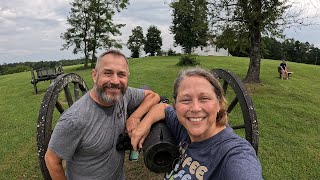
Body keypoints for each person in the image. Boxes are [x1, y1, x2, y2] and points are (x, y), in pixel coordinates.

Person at [45, 50, 160, 180]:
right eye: (108, 73)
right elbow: (51, 160)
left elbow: (153, 96)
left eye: (121, 74)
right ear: (95, 75)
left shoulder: (123, 95)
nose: (115, 81)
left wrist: (135, 117)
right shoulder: (74, 119)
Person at [131, 67, 263, 180]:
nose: (195, 108)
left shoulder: (235, 154)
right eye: (185, 99)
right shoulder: (183, 128)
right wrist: (143, 125)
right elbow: (163, 108)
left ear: (219, 104)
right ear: (175, 105)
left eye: (204, 98)